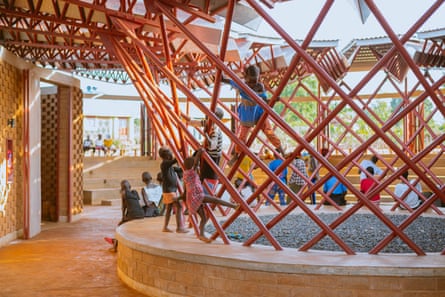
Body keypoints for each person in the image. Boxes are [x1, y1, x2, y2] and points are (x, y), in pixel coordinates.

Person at [222, 65, 284, 165]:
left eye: (255, 80)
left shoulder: (259, 86)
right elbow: (229, 81)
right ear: (246, 78)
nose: (253, 83)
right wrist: (222, 76)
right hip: (247, 113)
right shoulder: (242, 85)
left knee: (268, 130)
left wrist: (274, 100)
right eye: (251, 80)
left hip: (258, 111)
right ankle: (236, 155)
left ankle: (281, 150)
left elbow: (265, 100)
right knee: (242, 136)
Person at [176, 148, 238, 243]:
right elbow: (196, 163)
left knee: (204, 218)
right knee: (215, 200)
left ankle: (201, 234)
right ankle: (233, 206)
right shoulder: (192, 172)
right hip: (198, 196)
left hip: (192, 197)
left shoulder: (185, 174)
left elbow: (185, 189)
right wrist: (199, 153)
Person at [187, 107, 224, 192]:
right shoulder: (209, 123)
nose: (206, 119)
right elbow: (196, 123)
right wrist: (184, 120)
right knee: (197, 154)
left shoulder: (215, 130)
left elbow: (212, 146)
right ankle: (194, 171)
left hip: (213, 156)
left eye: (208, 116)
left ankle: (206, 186)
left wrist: (206, 135)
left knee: (209, 172)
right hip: (209, 152)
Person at [104, 180, 145, 251]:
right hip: (141, 214)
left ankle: (115, 246)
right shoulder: (135, 192)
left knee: (119, 226)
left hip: (133, 215)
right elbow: (136, 204)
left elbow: (123, 207)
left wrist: (123, 218)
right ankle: (117, 243)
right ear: (129, 186)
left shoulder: (124, 193)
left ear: (122, 188)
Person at [159, 147, 188, 233]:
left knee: (169, 209)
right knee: (178, 207)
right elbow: (175, 160)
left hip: (170, 190)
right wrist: (178, 153)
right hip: (169, 190)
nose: (171, 154)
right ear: (166, 155)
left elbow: (179, 170)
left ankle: (165, 227)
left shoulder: (169, 166)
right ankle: (179, 228)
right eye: (169, 153)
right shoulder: (164, 164)